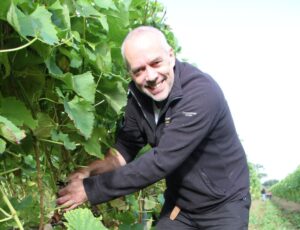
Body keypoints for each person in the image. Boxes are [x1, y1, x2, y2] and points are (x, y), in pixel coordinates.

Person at [57, 26, 250, 229]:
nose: (150, 76)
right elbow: (123, 151)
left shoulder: (200, 93)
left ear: (171, 56)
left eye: (155, 63)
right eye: (138, 70)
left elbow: (161, 161)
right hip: (181, 208)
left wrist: (91, 189)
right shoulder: (139, 100)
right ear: (130, 73)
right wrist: (90, 171)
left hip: (224, 206)